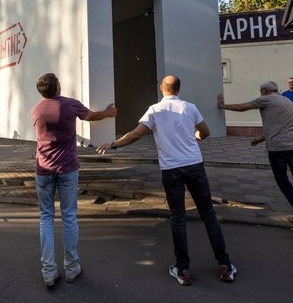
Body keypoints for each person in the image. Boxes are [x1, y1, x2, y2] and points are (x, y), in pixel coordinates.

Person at [97, 75, 236, 286]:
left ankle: (183, 269)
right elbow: (205, 132)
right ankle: (224, 265)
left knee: (178, 217)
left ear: (162, 88)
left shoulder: (154, 110)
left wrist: (114, 144)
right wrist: (195, 138)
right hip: (194, 165)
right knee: (208, 214)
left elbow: (135, 135)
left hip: (171, 169)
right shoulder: (190, 107)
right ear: (179, 89)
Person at [31, 73, 117, 287]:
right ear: (58, 87)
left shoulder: (36, 109)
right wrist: (108, 113)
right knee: (69, 217)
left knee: (45, 218)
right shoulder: (70, 105)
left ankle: (48, 272)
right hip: (68, 168)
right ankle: (71, 268)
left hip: (43, 170)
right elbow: (91, 116)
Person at [217, 81, 293, 242]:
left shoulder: (266, 99)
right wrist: (261, 138)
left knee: (282, 180)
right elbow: (284, 125)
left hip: (278, 148)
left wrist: (222, 106)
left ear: (264, 90)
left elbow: (243, 107)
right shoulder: (287, 100)